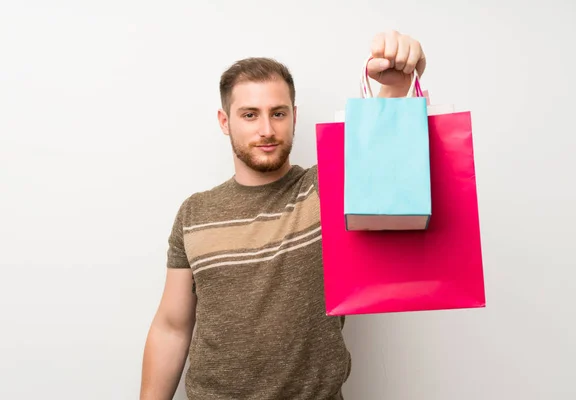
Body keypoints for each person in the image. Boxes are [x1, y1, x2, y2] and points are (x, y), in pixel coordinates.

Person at [140, 30, 427, 400]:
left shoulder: (325, 189)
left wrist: (396, 88)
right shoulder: (194, 212)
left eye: (278, 113)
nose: (266, 130)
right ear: (225, 121)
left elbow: (380, 154)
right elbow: (172, 326)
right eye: (249, 115)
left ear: (294, 116)